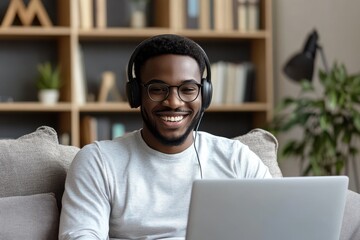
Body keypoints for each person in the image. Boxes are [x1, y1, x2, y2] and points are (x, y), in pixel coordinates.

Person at [59, 34, 272, 240]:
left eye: (188, 89)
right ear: (136, 95)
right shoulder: (98, 161)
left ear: (204, 95)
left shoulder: (238, 159)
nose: (174, 102)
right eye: (158, 89)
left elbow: (277, 227)